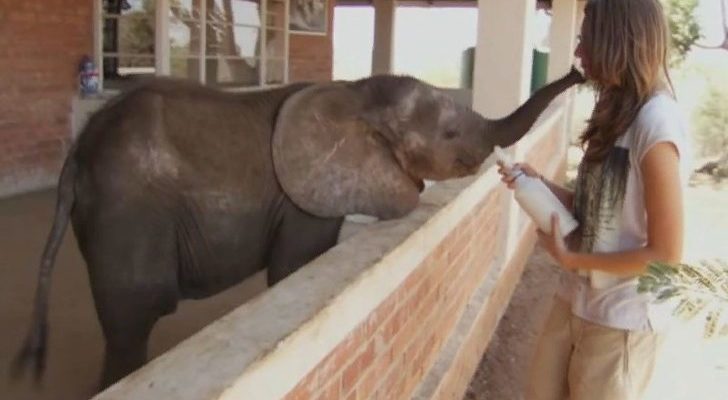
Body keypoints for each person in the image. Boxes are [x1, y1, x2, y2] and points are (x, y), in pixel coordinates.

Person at [497, 0, 692, 399]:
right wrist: (540, 187)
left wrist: (573, 259)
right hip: (577, 300)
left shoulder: (656, 124)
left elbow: (666, 254)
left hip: (622, 321)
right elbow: (605, 211)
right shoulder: (614, 110)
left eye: (586, 41)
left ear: (615, 43)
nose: (578, 54)